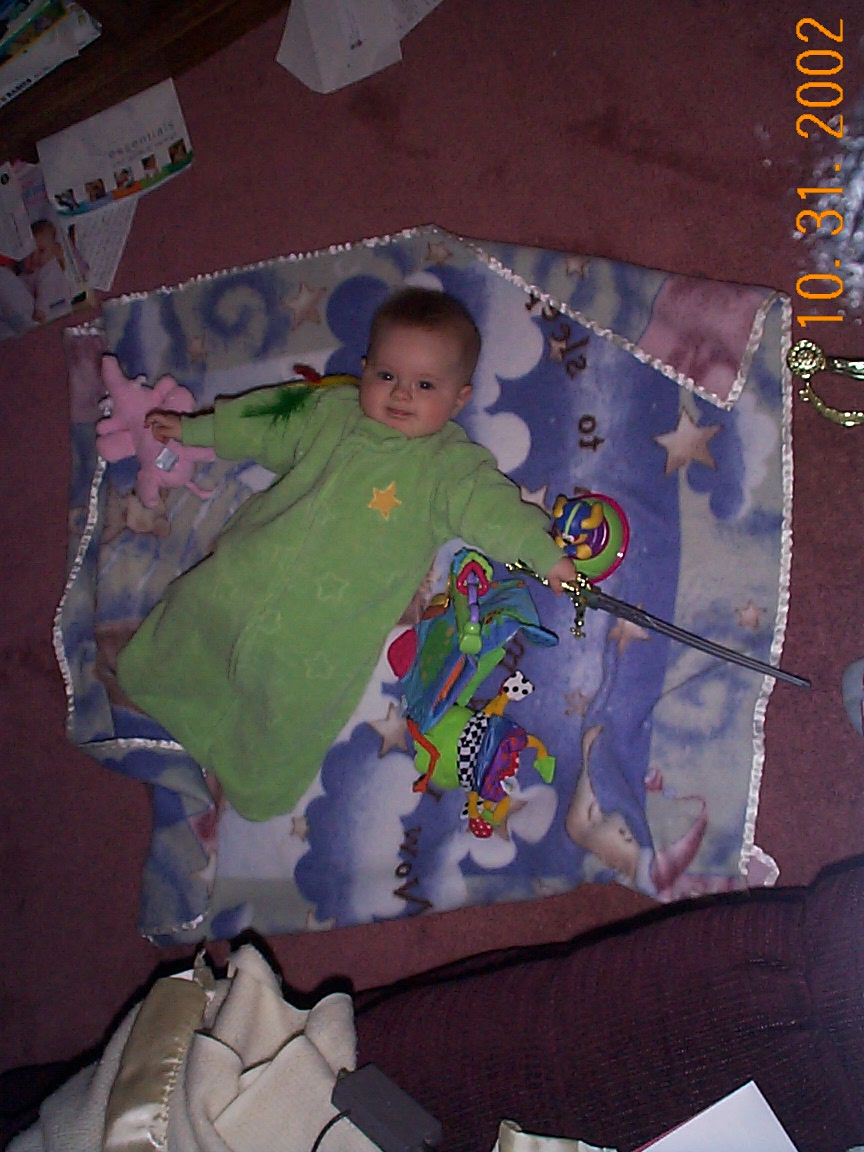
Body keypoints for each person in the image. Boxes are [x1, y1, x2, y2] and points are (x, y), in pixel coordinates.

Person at [117, 287, 576, 822]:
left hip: (324, 631)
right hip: (246, 571)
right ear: (364, 370)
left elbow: (496, 512)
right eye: (387, 375)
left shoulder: (448, 468)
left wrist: (544, 556)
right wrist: (199, 429)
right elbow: (267, 421)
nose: (401, 394)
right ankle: (156, 692)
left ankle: (250, 778)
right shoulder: (330, 413)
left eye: (425, 385)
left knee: (293, 703)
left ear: (458, 399)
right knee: (196, 615)